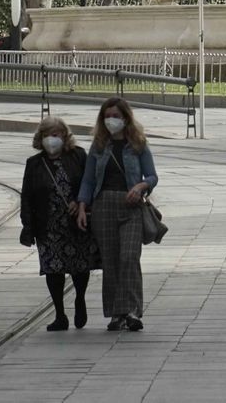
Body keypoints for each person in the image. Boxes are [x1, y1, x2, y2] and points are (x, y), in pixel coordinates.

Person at [75, 97, 157, 331]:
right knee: (111, 261)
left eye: (116, 116)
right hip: (104, 207)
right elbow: (89, 180)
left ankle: (132, 310)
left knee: (129, 257)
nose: (111, 121)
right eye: (107, 116)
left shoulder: (138, 144)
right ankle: (117, 313)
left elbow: (152, 176)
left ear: (126, 118)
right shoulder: (99, 146)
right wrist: (82, 206)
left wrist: (141, 186)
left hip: (130, 206)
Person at [19, 117, 100, 331]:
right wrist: (28, 228)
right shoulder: (34, 164)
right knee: (52, 268)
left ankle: (80, 299)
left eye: (55, 135)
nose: (50, 140)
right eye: (46, 135)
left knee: (80, 265)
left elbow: (89, 182)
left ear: (64, 137)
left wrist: (80, 202)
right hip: (48, 225)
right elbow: (26, 196)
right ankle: (60, 314)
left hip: (76, 222)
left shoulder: (77, 156)